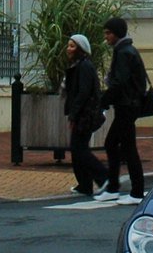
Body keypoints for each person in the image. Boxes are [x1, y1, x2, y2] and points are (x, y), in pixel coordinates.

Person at [99, 16, 147, 204]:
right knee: (123, 146)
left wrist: (104, 100)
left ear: (117, 33)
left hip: (127, 105)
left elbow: (120, 82)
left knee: (117, 145)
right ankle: (120, 188)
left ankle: (130, 190)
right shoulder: (126, 50)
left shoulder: (124, 53)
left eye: (109, 33)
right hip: (129, 105)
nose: (106, 37)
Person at [61, 34, 107, 198]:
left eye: (72, 46)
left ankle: (103, 177)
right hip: (81, 114)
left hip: (85, 115)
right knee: (78, 149)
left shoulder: (84, 66)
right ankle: (85, 184)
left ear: (81, 49)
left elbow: (83, 93)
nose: (69, 49)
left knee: (80, 149)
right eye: (68, 45)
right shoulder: (78, 65)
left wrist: (74, 115)